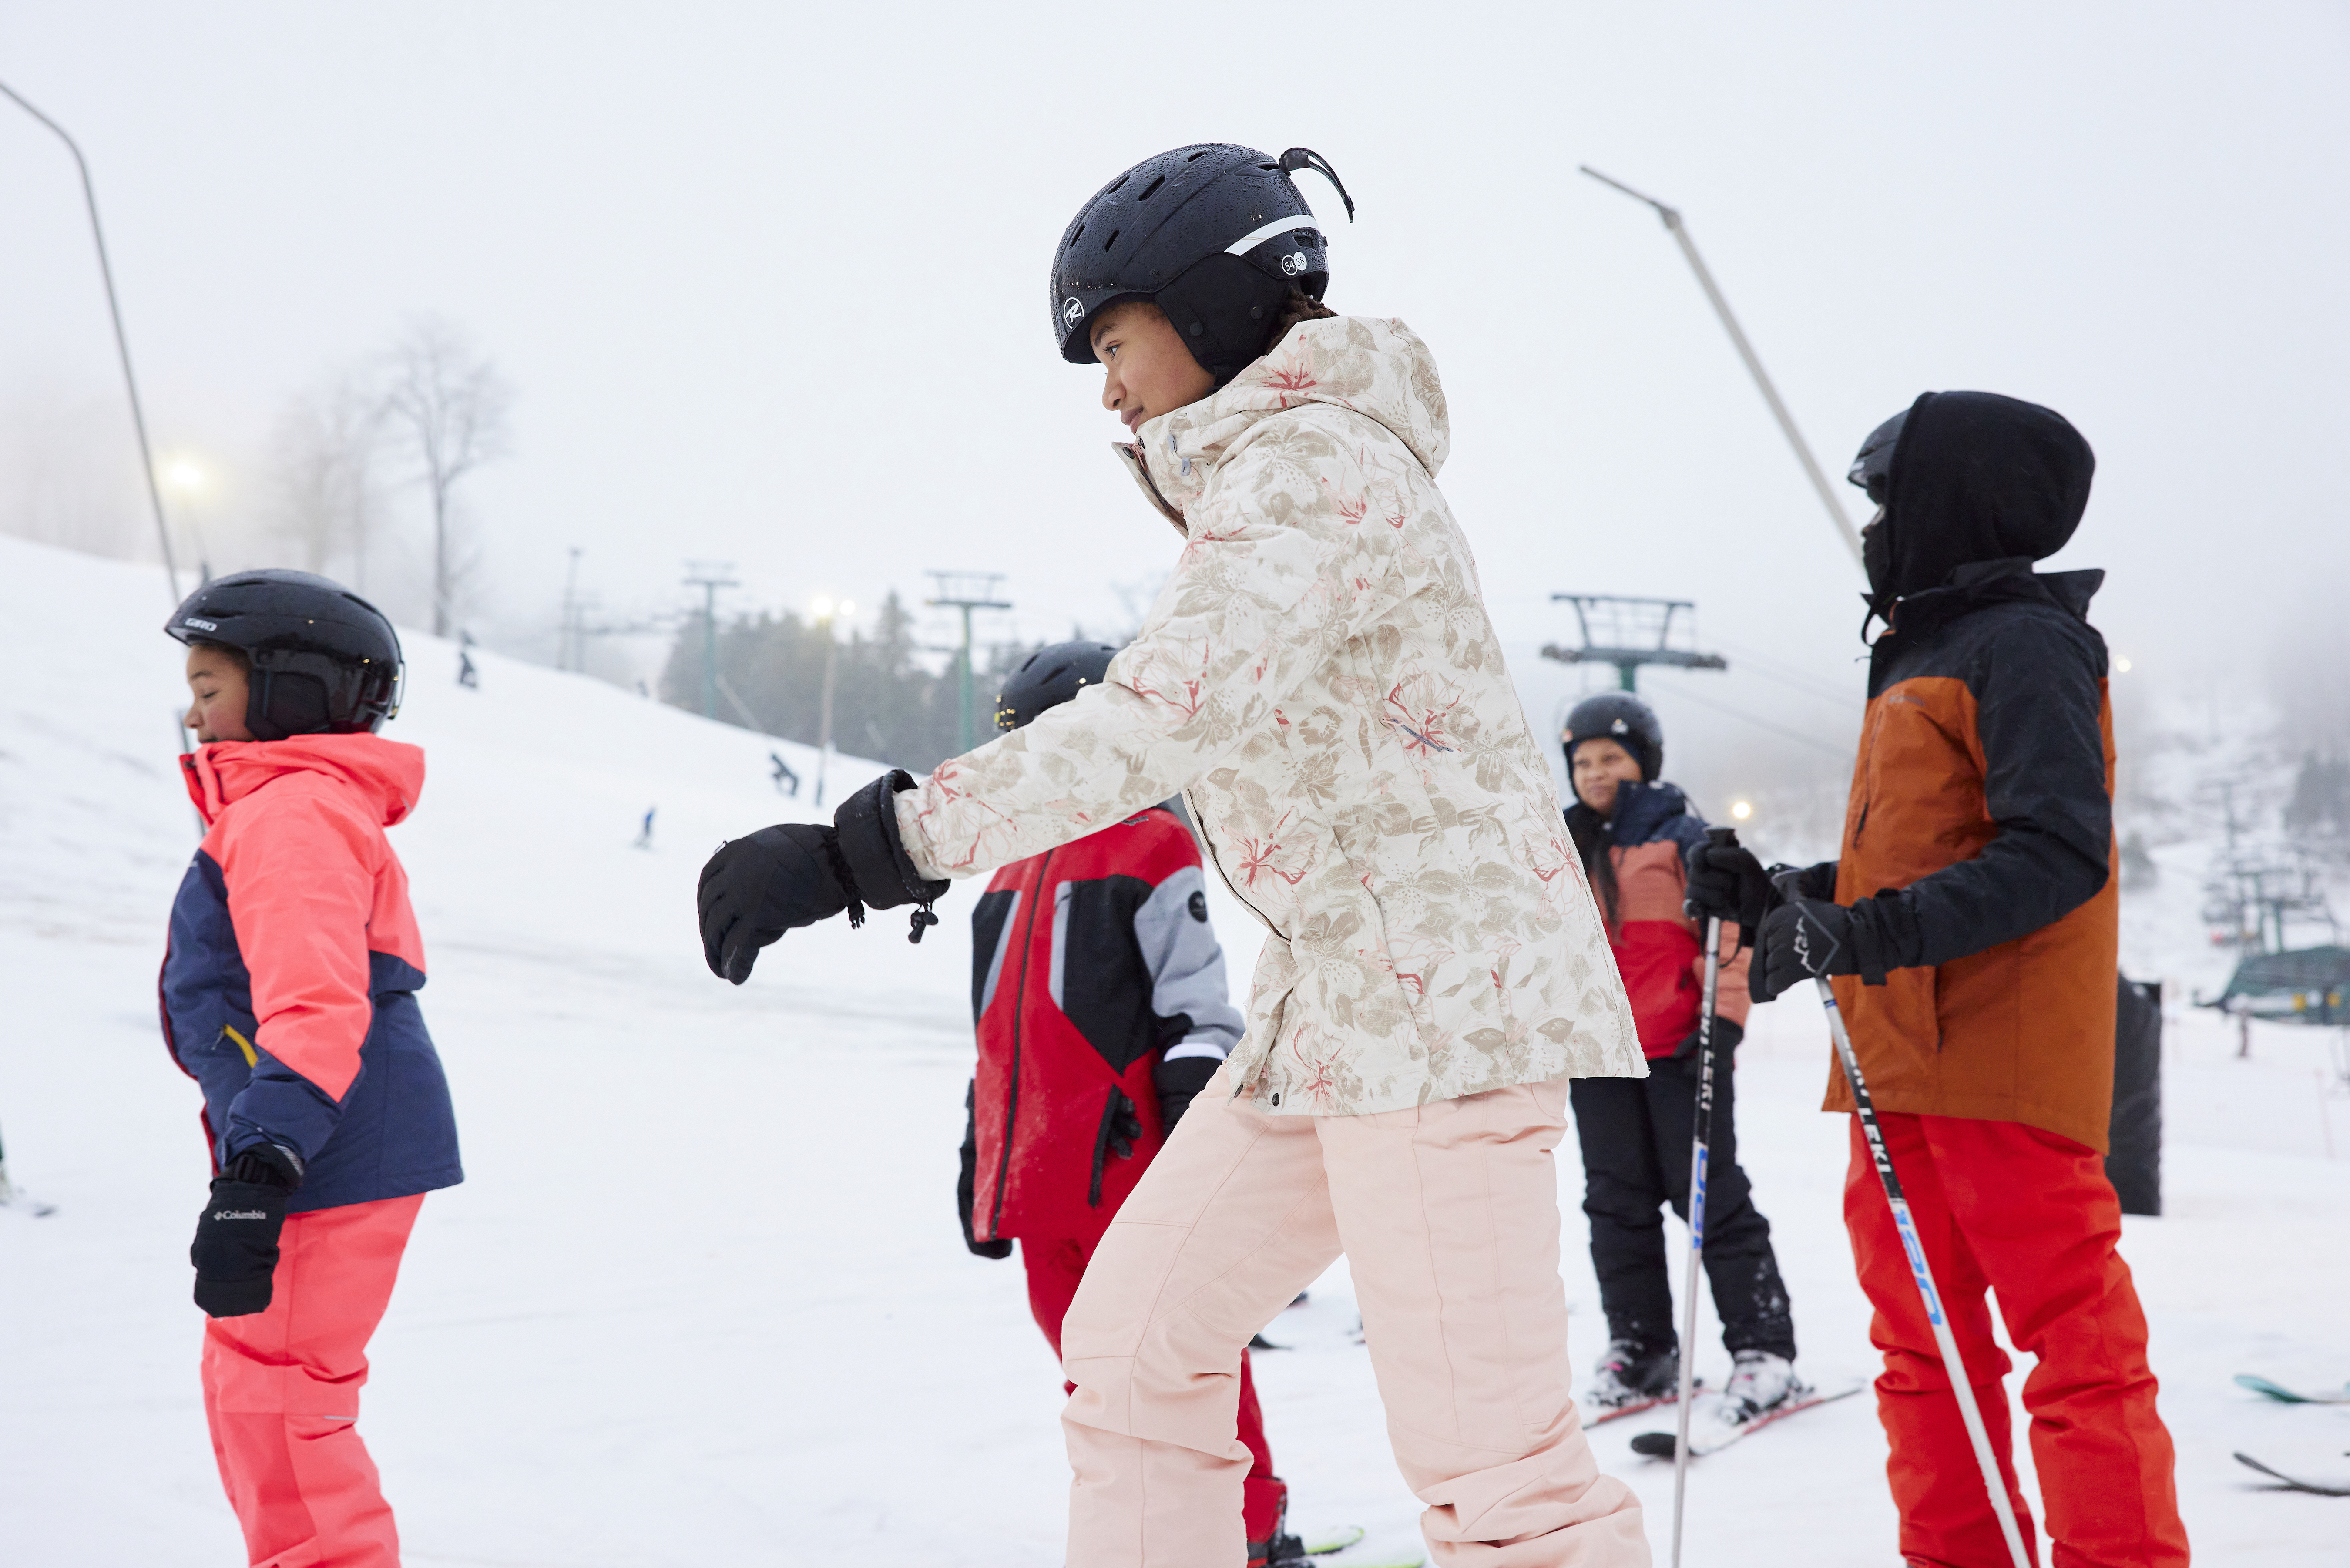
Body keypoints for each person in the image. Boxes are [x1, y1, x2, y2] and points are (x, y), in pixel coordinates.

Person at [697, 143, 1651, 1567]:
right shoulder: (1274, 472)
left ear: (1207, 313)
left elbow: (1157, 715)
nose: (1107, 389)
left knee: (1497, 1481)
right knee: (1138, 1351)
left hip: (1439, 1015)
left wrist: (871, 846)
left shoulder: (1312, 466)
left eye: (1115, 342)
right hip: (1337, 1016)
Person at [1687, 392, 2189, 1567]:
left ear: (1948, 500)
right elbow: (1918, 853)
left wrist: (1857, 936)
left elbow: (2055, 852)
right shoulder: (1924, 649)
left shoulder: (2028, 642)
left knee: (2074, 1344)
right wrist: (1788, 896)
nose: (1871, 527)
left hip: (2001, 1055)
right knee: (1923, 1350)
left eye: (1883, 500)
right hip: (1898, 1054)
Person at [959, 639, 1307, 1565]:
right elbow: (996, 1038)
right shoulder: (1001, 874)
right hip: (1034, 1179)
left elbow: (1201, 1006)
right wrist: (977, 1150)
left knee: (1181, 1357)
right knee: (1090, 1376)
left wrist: (1188, 1127)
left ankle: (1253, 1528)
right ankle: (1149, 1531)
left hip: (1124, 1166)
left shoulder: (1151, 844)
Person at [162, 569, 463, 1568]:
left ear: (290, 688)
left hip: (325, 1142)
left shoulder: (291, 812)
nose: (193, 716)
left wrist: (262, 1166)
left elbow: (317, 999)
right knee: (264, 1390)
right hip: (331, 1135)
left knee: (283, 1401)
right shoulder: (292, 806)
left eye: (211, 690)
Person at [1557, 692, 1799, 1423]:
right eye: (1583, 762)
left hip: (1678, 1046)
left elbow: (1732, 940)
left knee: (1707, 1194)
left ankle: (1764, 1351)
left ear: (1644, 762)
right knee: (1615, 1205)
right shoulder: (1561, 849)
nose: (1596, 773)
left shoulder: (1684, 839)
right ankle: (1643, 1347)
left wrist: (1720, 1023)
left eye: (1611, 758)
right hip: (1600, 1052)